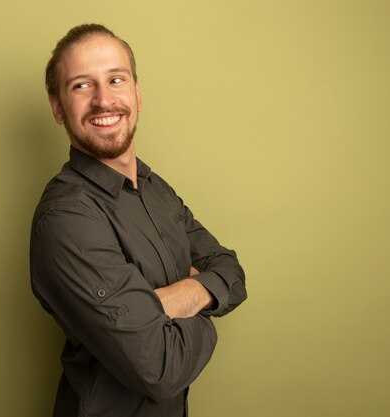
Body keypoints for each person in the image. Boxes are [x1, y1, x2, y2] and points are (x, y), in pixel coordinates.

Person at [30, 23, 247, 417]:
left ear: (137, 94)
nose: (103, 100)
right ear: (58, 108)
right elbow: (161, 368)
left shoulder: (155, 187)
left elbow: (232, 270)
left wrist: (179, 297)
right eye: (81, 85)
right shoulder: (67, 218)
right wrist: (205, 301)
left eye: (116, 79)